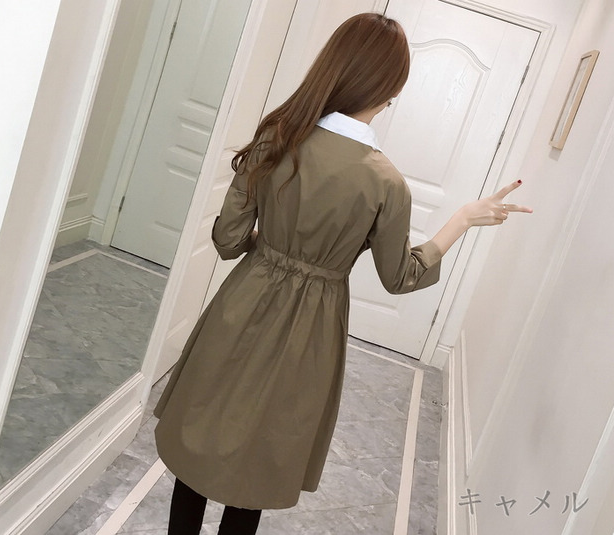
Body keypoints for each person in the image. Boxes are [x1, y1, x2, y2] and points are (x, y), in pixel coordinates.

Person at [153, 12, 532, 535]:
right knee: (261, 456)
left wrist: (277, 249)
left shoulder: (276, 138)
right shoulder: (386, 183)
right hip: (311, 331)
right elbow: (400, 276)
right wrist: (462, 220)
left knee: (202, 432)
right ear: (391, 89)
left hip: (240, 306)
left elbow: (227, 240)